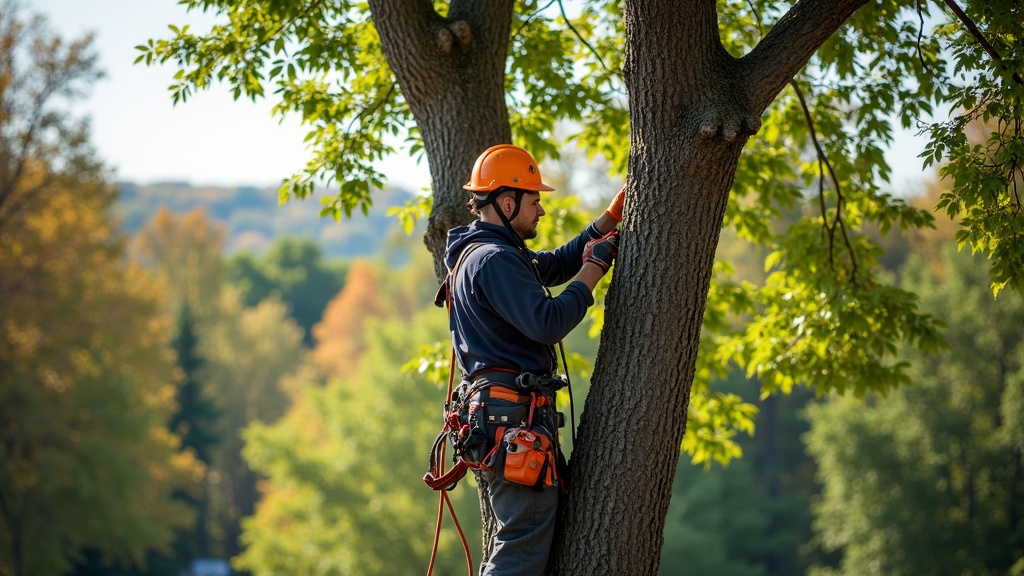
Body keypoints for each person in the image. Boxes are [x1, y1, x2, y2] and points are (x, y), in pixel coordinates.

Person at [443, 143, 625, 576]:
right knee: (520, 552)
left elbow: (555, 265)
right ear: (507, 204)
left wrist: (608, 220)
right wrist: (594, 270)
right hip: (510, 419)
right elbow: (548, 322)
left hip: (501, 418)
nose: (541, 210)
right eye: (534, 201)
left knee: (521, 546)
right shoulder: (494, 260)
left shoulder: (489, 252)